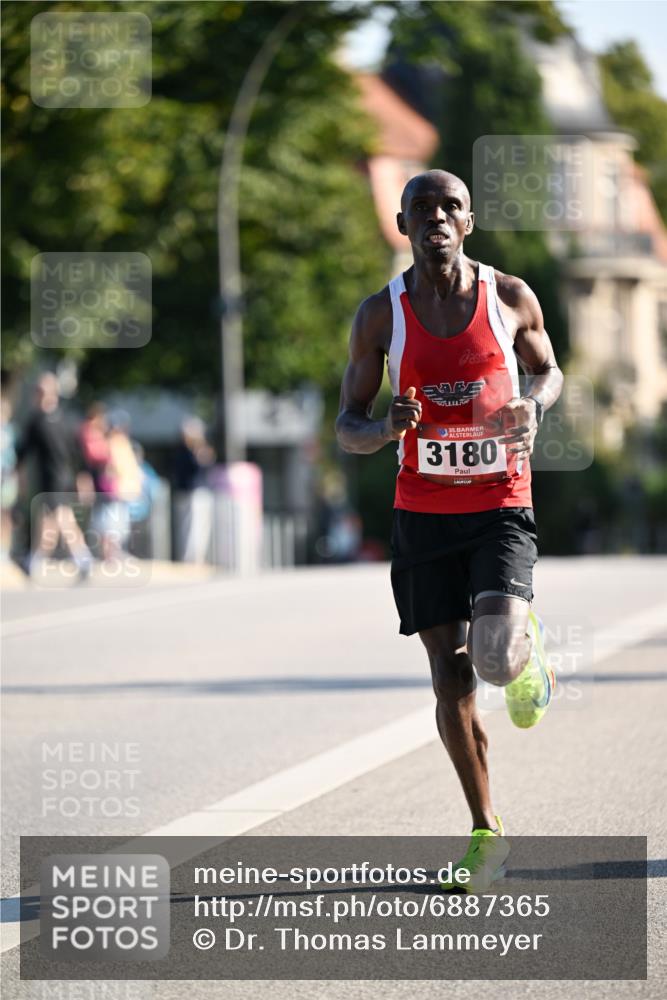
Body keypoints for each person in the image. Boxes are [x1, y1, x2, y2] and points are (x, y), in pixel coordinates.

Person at [335, 170, 563, 891]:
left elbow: (549, 370)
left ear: (468, 223)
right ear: (401, 225)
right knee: (449, 676)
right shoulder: (380, 315)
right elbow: (346, 426)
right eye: (421, 209)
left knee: (493, 661)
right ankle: (485, 832)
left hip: (498, 503)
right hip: (422, 514)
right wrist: (381, 429)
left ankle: (524, 650)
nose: (435, 218)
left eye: (449, 208)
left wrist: (533, 404)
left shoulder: (508, 297)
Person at [14, 372, 93, 581]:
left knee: (59, 519)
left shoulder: (62, 420)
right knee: (50, 521)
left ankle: (78, 558)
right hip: (51, 479)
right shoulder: (38, 421)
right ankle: (35, 561)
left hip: (60, 480)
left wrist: (83, 479)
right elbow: (22, 454)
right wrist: (19, 477)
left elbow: (77, 454)